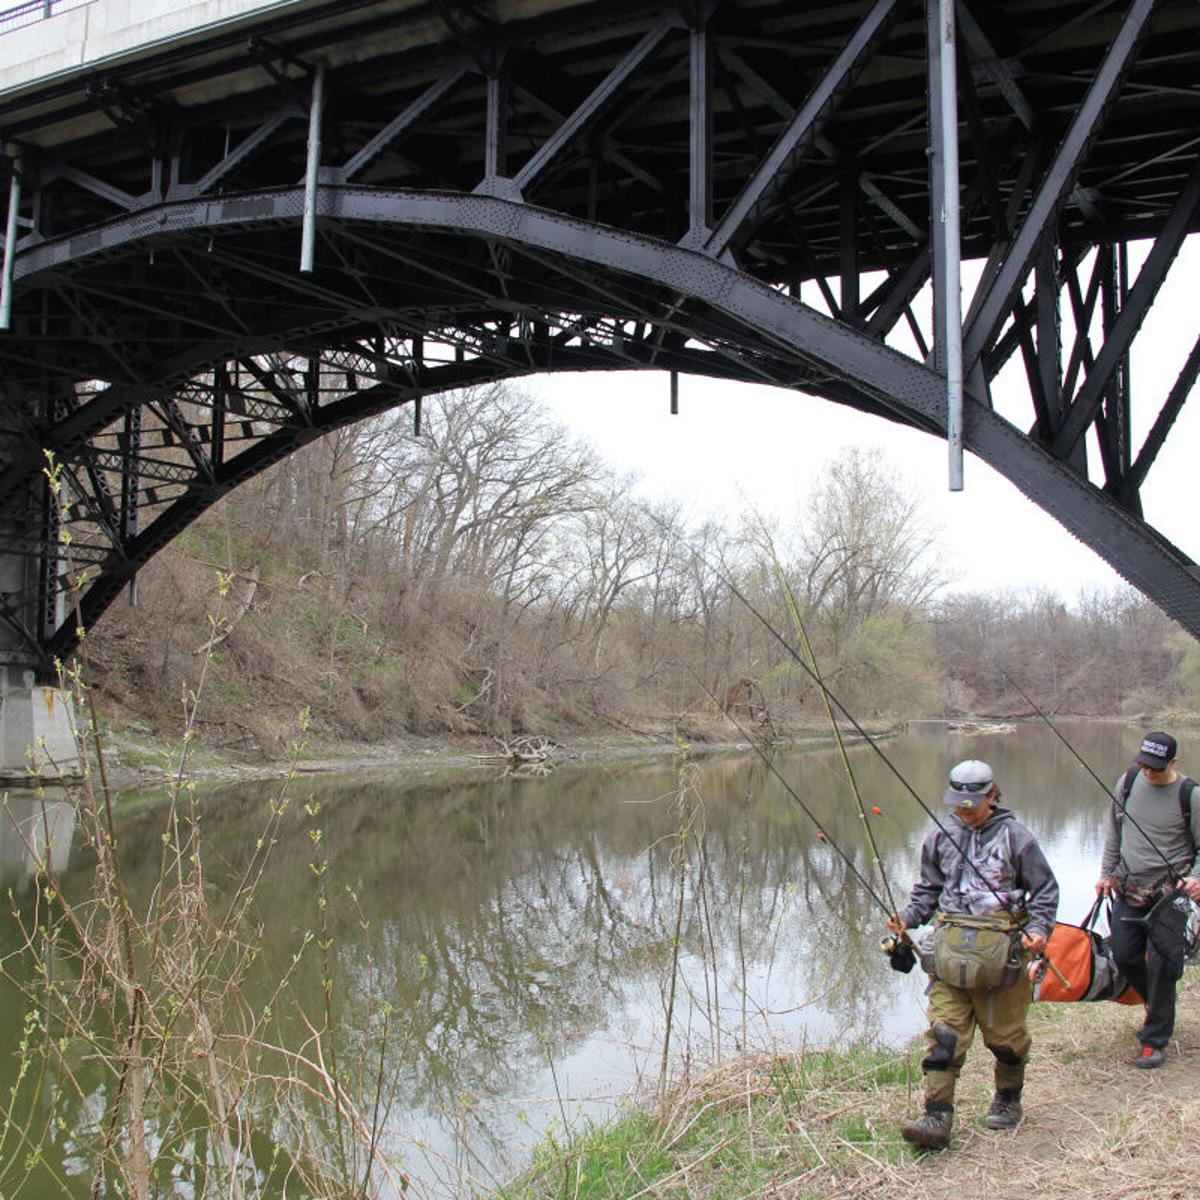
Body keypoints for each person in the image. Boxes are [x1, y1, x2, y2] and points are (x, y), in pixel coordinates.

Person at [887, 759, 1058, 1150]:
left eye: (973, 804)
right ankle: (936, 1116)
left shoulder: (1018, 838)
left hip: (1003, 958)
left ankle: (1008, 1099)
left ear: (992, 795)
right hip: (949, 955)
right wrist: (907, 918)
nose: (964, 811)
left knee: (1005, 1041)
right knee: (944, 1036)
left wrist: (1037, 930)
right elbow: (927, 891)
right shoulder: (939, 836)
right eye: (958, 804)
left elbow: (1045, 891)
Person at [1096, 731, 1200, 1068]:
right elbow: (1114, 831)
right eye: (1144, 765)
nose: (1149, 773)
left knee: (1163, 964)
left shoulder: (1190, 795)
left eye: (1157, 767)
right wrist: (1105, 873)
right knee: (1124, 955)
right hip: (1128, 887)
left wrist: (1197, 876)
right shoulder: (1127, 782)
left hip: (1171, 896)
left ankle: (1154, 1040)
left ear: (1173, 763)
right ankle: (1157, 1003)